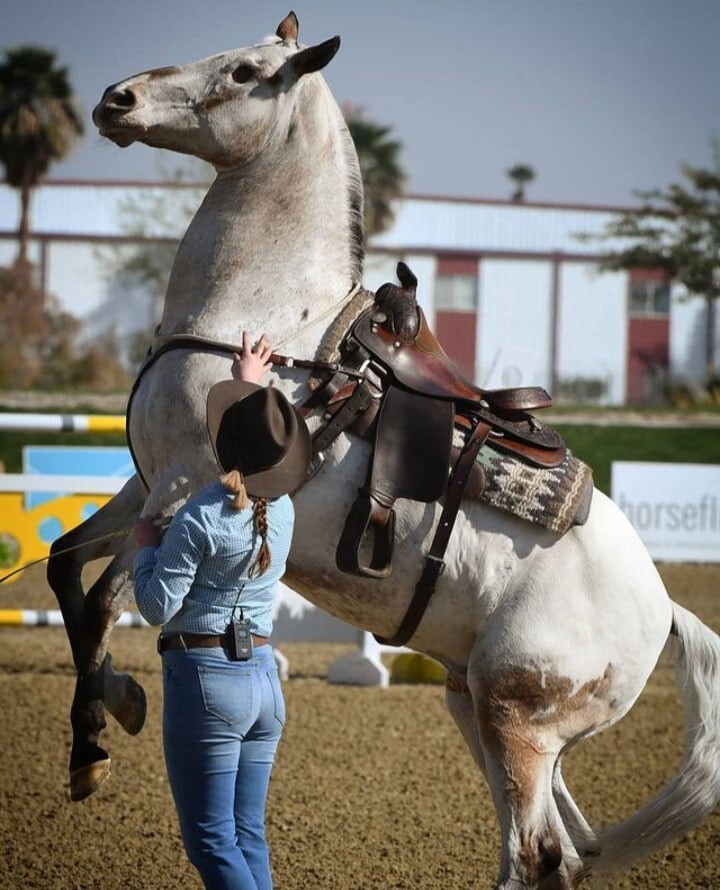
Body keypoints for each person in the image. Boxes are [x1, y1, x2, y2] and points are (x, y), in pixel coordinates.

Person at [133, 331, 311, 890]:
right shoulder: (281, 511)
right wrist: (249, 384)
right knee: (246, 833)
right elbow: (249, 455)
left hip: (207, 682)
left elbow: (156, 606)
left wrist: (145, 548)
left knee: (211, 841)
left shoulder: (199, 516)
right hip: (262, 682)